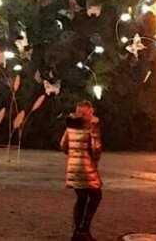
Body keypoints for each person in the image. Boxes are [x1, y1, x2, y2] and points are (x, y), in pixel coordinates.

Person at [60, 100, 103, 241]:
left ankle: (78, 233)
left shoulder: (70, 126)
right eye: (90, 112)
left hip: (73, 168)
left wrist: (73, 156)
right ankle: (83, 230)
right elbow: (96, 148)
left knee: (81, 198)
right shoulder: (91, 127)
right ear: (87, 112)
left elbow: (63, 145)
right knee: (96, 196)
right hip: (87, 167)